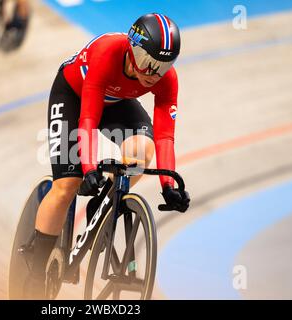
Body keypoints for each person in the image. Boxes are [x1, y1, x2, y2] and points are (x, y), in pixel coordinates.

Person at [24, 13, 190, 299]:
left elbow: (165, 137)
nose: (154, 74)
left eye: (164, 66)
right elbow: (87, 120)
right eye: (150, 64)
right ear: (134, 51)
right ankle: (36, 272)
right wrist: (88, 169)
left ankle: (103, 204)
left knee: (142, 151)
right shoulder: (108, 52)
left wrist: (168, 186)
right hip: (75, 95)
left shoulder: (164, 79)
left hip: (117, 101)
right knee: (68, 184)